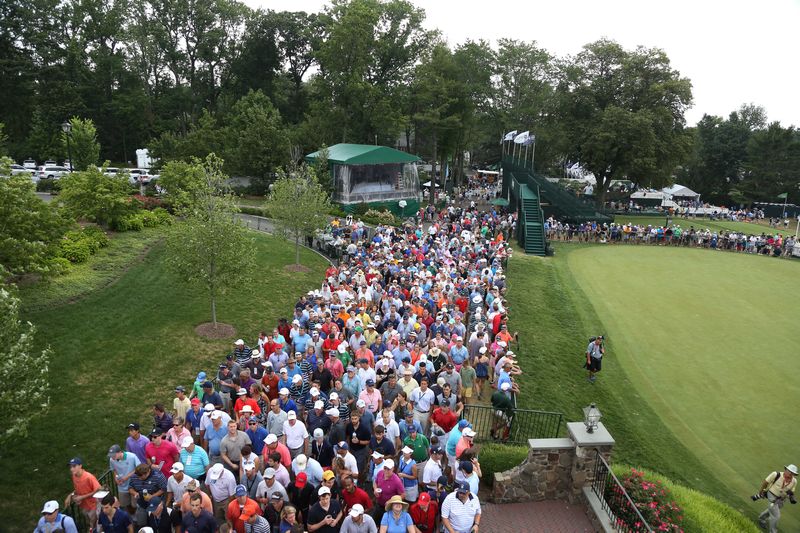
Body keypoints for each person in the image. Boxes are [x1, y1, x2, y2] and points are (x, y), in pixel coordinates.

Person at [757, 464, 798, 532]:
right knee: (776, 515)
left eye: (793, 473)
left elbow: (791, 491)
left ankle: (761, 518)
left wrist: (791, 496)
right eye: (790, 471)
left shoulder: (794, 481)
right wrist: (761, 491)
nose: (791, 474)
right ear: (786, 470)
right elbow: (765, 482)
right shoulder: (776, 474)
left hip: (781, 499)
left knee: (772, 509)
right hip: (771, 495)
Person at [66, 457, 100, 531]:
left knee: (94, 524)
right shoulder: (74, 476)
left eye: (74, 466)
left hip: (93, 506)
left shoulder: (89, 477)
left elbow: (98, 489)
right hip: (84, 506)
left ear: (80, 466)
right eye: (70, 467)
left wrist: (82, 497)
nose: (71, 469)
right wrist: (71, 495)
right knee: (89, 523)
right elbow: (78, 489)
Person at [108, 444, 141, 513]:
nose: (112, 457)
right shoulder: (112, 460)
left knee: (135, 504)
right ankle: (131, 518)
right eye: (111, 455)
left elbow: (139, 469)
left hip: (133, 485)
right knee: (125, 504)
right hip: (122, 486)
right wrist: (116, 478)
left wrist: (127, 477)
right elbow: (114, 470)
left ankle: (138, 519)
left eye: (114, 455)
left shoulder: (132, 456)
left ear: (120, 452)